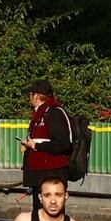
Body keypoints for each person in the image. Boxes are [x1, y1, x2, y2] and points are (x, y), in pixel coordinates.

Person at [21, 80, 72, 211]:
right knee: (40, 216)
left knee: (50, 216)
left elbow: (63, 144)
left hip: (51, 175)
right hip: (40, 175)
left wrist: (36, 146)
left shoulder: (54, 112)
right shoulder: (40, 113)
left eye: (30, 94)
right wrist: (28, 146)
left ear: (37, 96)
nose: (29, 98)